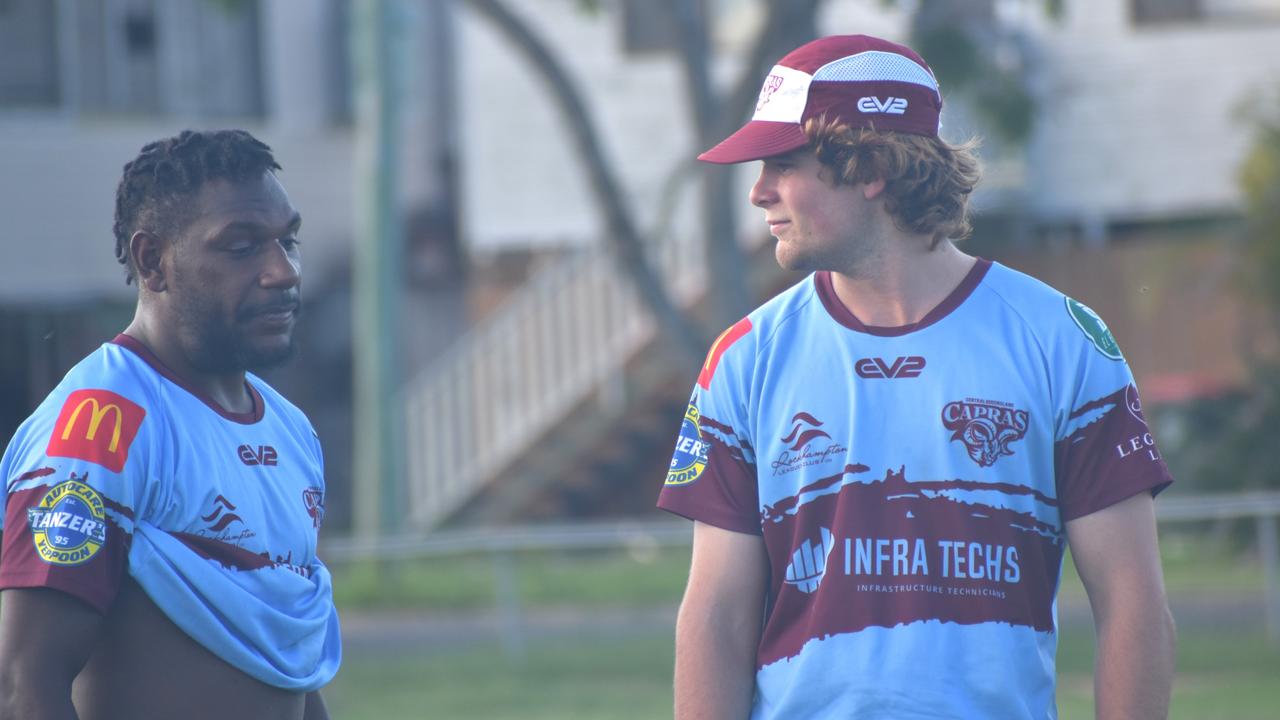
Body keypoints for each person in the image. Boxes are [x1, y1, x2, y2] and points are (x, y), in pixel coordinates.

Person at [658, 35, 1176, 719]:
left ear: (871, 168)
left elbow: (1134, 603)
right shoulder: (746, 356)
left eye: (783, 164)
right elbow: (716, 617)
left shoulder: (1061, 340)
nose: (758, 193)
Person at [0, 130, 340, 719]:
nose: (282, 271)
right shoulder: (102, 423)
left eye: (288, 241)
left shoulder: (291, 430)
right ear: (152, 260)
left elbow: (293, 670)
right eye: (241, 247)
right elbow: (22, 684)